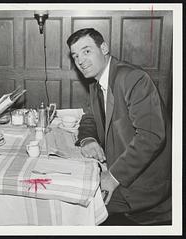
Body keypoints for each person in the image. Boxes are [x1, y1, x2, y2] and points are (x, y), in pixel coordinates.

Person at [67, 28, 171, 225]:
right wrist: (88, 140)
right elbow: (90, 117)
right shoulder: (96, 82)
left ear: (104, 48)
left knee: (76, 209)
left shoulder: (133, 78)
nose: (80, 60)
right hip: (119, 168)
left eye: (86, 51)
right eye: (75, 55)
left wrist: (112, 177)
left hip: (142, 185)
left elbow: (151, 137)